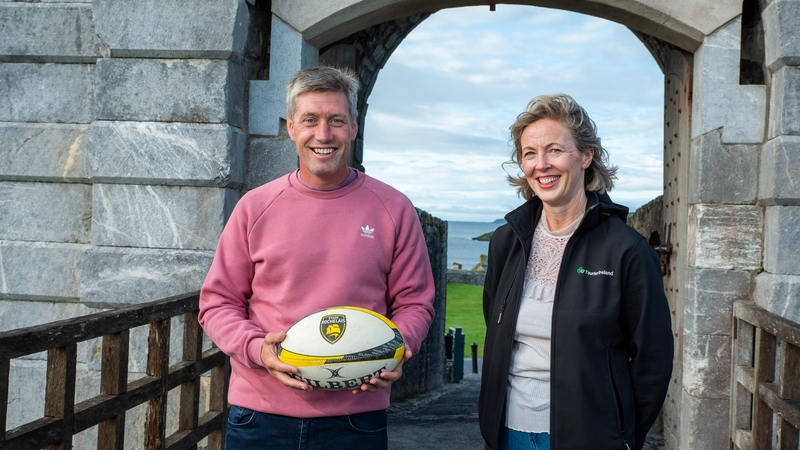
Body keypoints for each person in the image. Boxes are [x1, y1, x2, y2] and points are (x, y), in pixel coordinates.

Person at [198, 66, 435, 450]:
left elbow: (415, 303)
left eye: (336, 121)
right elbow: (216, 303)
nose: (323, 135)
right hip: (260, 420)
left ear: (354, 127)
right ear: (291, 127)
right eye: (310, 120)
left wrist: (396, 349)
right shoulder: (254, 207)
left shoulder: (393, 208)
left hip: (356, 420)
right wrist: (258, 349)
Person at [479, 94, 673, 450]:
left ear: (586, 155)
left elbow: (653, 360)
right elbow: (495, 323)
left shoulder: (626, 250)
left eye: (554, 150)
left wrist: (623, 436)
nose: (541, 165)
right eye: (529, 153)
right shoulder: (507, 241)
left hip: (590, 438)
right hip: (508, 433)